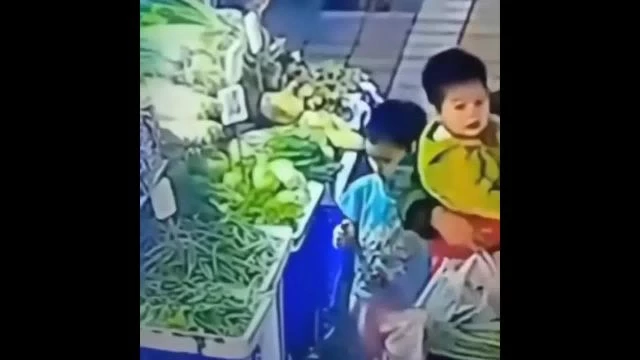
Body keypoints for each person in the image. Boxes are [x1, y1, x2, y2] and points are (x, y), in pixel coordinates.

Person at [416, 47, 500, 360]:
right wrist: (435, 214)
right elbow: (482, 199)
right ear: (438, 109)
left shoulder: (481, 127)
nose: (472, 113)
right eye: (460, 106)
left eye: (479, 103)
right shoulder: (446, 161)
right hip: (468, 258)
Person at [333, 99, 431, 360]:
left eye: (387, 160)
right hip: (364, 299)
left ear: (413, 150)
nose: (379, 169)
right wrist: (346, 234)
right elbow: (352, 226)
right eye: (372, 159)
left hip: (409, 308)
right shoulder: (364, 190)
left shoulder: (428, 200)